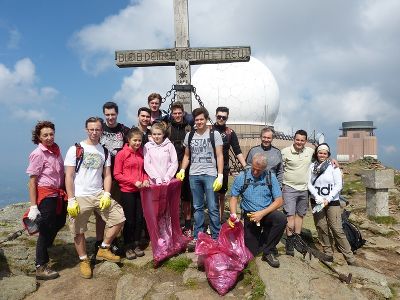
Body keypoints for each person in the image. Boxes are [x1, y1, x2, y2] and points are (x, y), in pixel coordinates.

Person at [64, 117, 125, 279]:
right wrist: (71, 199)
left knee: (119, 217)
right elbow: (69, 176)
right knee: (78, 230)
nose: (94, 132)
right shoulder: (75, 149)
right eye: (91, 129)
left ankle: (103, 248)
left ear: (101, 131)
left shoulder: (104, 151)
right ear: (86, 129)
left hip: (98, 193)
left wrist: (106, 193)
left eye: (97, 129)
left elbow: (107, 175)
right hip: (80, 195)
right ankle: (84, 260)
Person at [176, 107, 224, 250]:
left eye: (201, 119)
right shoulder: (190, 136)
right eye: (196, 120)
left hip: (210, 174)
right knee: (197, 207)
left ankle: (216, 236)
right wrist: (182, 169)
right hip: (194, 175)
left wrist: (220, 175)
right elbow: (186, 156)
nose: (199, 122)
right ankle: (198, 236)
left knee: (213, 207)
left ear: (206, 119)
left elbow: (220, 155)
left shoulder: (214, 134)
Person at [229, 153, 287, 268]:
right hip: (250, 215)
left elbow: (279, 201)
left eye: (259, 170)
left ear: (265, 169)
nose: (255, 172)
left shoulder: (271, 176)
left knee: (281, 219)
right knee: (253, 253)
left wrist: (262, 213)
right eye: (254, 169)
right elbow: (234, 197)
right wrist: (233, 215)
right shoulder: (242, 176)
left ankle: (268, 251)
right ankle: (263, 243)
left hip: (266, 213)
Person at [26, 121, 67, 280]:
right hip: (45, 195)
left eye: (51, 134)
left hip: (57, 194)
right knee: (45, 228)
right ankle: (40, 266)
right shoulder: (38, 153)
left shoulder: (56, 150)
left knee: (60, 221)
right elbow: (32, 181)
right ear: (39, 137)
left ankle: (46, 247)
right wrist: (33, 206)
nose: (49, 137)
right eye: (45, 135)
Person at [308, 143, 357, 265]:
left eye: (325, 153)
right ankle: (328, 253)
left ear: (328, 154)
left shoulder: (333, 166)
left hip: (332, 201)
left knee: (337, 228)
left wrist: (328, 199)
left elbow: (338, 185)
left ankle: (350, 257)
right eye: (320, 152)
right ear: (316, 153)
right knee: (321, 227)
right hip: (317, 201)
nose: (322, 155)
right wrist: (318, 197)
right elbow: (308, 183)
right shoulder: (312, 166)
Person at [97, 101, 129, 253]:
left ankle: (114, 240)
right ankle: (99, 241)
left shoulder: (123, 130)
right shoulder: (99, 129)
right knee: (101, 211)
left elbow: (135, 142)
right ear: (104, 114)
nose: (110, 117)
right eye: (107, 114)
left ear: (117, 114)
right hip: (100, 175)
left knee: (117, 209)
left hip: (117, 176)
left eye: (113, 114)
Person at [114, 127, 149, 260]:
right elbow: (117, 174)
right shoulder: (122, 154)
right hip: (127, 191)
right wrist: (134, 181)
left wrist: (145, 180)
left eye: (139, 140)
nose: (137, 143)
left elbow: (144, 171)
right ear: (128, 140)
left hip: (140, 190)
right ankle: (127, 246)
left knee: (140, 218)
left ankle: (136, 243)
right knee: (129, 220)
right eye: (135, 140)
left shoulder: (141, 153)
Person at [281, 129, 314, 256]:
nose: (299, 142)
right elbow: (279, 169)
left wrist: (334, 161)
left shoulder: (310, 151)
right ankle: (289, 240)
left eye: (302, 140)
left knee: (300, 215)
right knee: (290, 215)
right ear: (294, 139)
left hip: (304, 189)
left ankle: (297, 239)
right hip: (289, 187)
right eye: (297, 139)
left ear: (306, 141)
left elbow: (323, 157)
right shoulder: (285, 152)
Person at [212, 106, 247, 221]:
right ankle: (212, 220)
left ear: (227, 118)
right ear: (215, 115)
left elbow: (237, 151)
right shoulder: (209, 130)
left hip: (224, 168)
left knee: (221, 196)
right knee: (211, 196)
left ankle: (219, 220)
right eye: (219, 116)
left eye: (224, 117)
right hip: (209, 167)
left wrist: (246, 167)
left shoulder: (230, 132)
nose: (221, 119)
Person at [167, 101, 193, 237]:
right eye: (175, 113)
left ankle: (188, 225)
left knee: (186, 198)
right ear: (172, 114)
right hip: (171, 168)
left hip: (186, 167)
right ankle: (175, 225)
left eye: (179, 113)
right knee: (173, 198)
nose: (177, 115)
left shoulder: (189, 127)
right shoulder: (168, 128)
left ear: (183, 113)